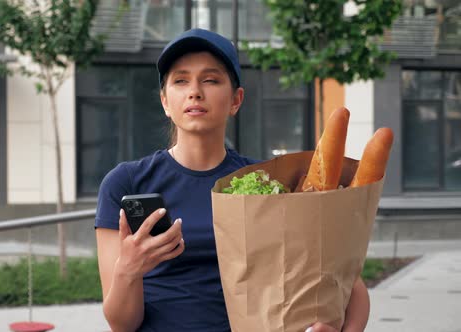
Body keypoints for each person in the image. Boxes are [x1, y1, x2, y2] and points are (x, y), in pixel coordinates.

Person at [95, 28, 370, 332]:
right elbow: (121, 324)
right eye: (180, 80)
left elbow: (349, 285)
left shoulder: (267, 183)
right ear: (165, 101)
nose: (195, 91)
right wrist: (128, 270)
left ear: (236, 100)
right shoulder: (126, 183)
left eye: (211, 80)